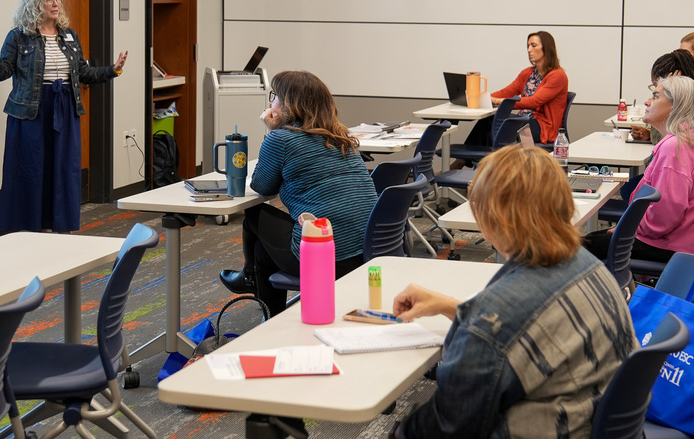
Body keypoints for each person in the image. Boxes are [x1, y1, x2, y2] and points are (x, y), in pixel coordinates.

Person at [387, 145, 635, 439]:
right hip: (587, 418)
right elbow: (528, 328)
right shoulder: (589, 266)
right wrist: (453, 307)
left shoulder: (500, 314)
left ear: (495, 219)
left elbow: (448, 425)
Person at [219, 70, 377, 316]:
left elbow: (262, 186)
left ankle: (250, 279)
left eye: (274, 96)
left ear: (288, 105)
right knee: (263, 249)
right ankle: (263, 303)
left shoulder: (282, 139)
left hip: (324, 257)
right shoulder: (342, 137)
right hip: (366, 252)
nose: (271, 102)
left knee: (254, 213)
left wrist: (271, 131)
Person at [0, 0, 127, 232]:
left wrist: (113, 70)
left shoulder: (69, 36)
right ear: (35, 4)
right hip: (30, 113)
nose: (55, 3)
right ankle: (29, 227)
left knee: (63, 171)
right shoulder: (19, 37)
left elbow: (82, 72)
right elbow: (2, 72)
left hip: (64, 110)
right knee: (31, 171)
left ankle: (60, 225)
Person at [586, 76, 694, 263]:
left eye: (655, 96)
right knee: (591, 241)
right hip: (693, 244)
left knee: (580, 248)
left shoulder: (676, 148)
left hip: (674, 247)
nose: (647, 102)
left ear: (676, 106)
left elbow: (664, 219)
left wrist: (628, 227)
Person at [453, 31, 568, 163]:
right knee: (489, 121)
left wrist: (501, 102)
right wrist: (479, 97)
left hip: (541, 127)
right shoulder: (528, 73)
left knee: (497, 124)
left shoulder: (557, 76)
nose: (529, 50)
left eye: (534, 45)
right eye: (528, 46)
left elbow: (534, 102)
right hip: (523, 121)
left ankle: (478, 166)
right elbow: (507, 91)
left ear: (547, 48)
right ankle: (467, 164)